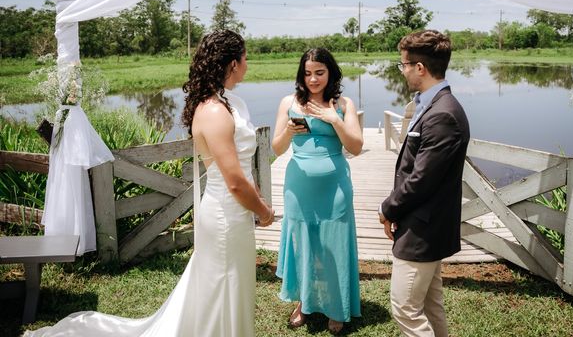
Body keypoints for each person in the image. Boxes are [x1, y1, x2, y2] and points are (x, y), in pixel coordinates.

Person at [26, 30, 274, 337]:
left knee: (227, 281)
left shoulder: (225, 104)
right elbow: (234, 181)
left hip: (231, 211)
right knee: (223, 280)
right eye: (246, 58)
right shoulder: (214, 111)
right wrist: (263, 211)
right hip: (226, 213)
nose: (247, 65)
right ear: (233, 63)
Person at [379, 30, 470, 337]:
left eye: (403, 64)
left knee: (404, 307)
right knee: (431, 305)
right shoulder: (429, 104)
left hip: (424, 229)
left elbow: (421, 181)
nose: (402, 70)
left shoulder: (443, 114)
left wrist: (387, 208)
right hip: (424, 223)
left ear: (420, 68)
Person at [272, 48, 363, 335]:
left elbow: (357, 147)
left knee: (334, 244)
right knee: (302, 244)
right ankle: (304, 302)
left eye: (319, 73)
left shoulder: (343, 103)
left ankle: (336, 307)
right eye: (308, 73)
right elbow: (276, 148)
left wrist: (333, 118)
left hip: (335, 186)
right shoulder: (289, 102)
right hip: (299, 188)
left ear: (331, 73)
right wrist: (288, 131)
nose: (313, 79)